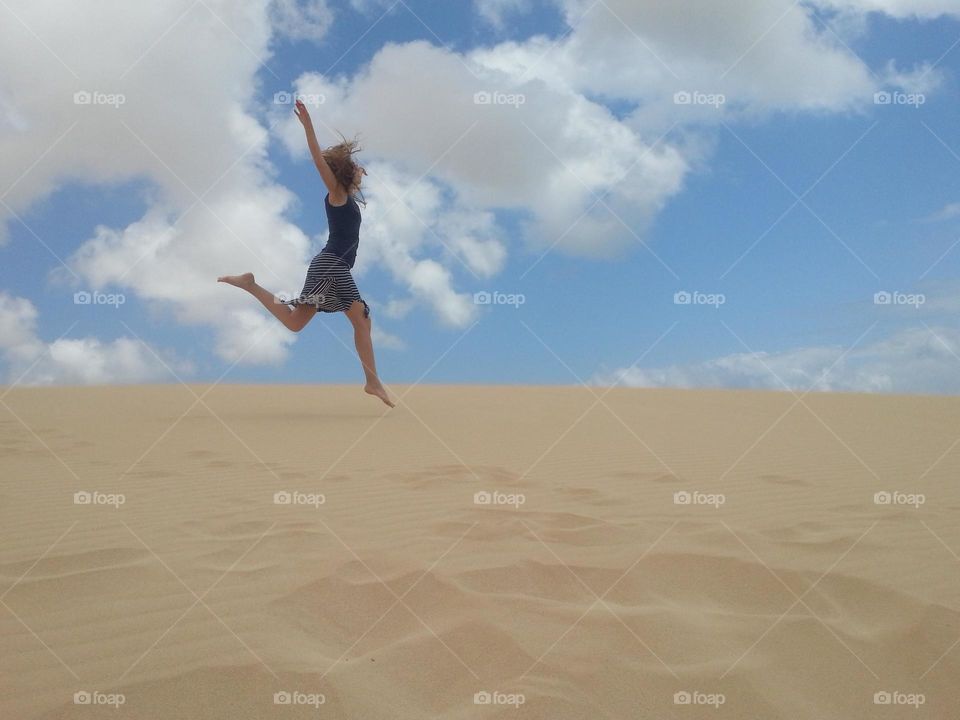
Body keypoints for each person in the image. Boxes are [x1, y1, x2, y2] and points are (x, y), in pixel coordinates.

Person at [218, 99, 394, 408]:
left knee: (296, 322)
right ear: (344, 174)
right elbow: (317, 159)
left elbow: (350, 178)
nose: (362, 173)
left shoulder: (348, 199)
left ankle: (251, 285)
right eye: (357, 170)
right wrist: (309, 125)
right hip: (332, 266)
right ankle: (372, 382)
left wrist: (357, 172)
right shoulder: (336, 195)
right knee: (361, 318)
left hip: (328, 267)